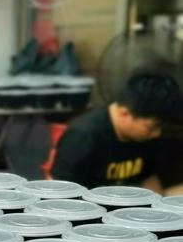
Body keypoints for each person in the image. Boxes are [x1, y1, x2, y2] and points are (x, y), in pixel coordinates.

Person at [52, 71, 182, 190]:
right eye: (151, 127)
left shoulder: (145, 137)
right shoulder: (83, 136)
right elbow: (61, 191)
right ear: (125, 114)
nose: (157, 133)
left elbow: (149, 178)